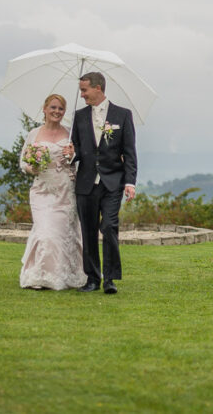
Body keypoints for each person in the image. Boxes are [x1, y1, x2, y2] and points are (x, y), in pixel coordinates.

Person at [70, 71, 137, 294]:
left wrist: (130, 182)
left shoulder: (123, 115)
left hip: (112, 182)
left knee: (109, 227)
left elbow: (129, 152)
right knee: (88, 231)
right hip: (86, 183)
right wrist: (71, 153)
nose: (82, 95)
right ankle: (92, 279)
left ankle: (110, 279)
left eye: (84, 90)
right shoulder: (78, 116)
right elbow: (76, 149)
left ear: (98, 88)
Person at [18, 94, 87, 291]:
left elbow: (80, 158)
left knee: (62, 233)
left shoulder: (70, 133)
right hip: (41, 190)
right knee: (44, 231)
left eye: (61, 109)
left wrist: (72, 155)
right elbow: (23, 161)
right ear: (45, 109)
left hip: (65, 190)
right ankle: (39, 274)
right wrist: (32, 168)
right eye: (53, 108)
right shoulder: (34, 134)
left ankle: (62, 274)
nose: (57, 112)